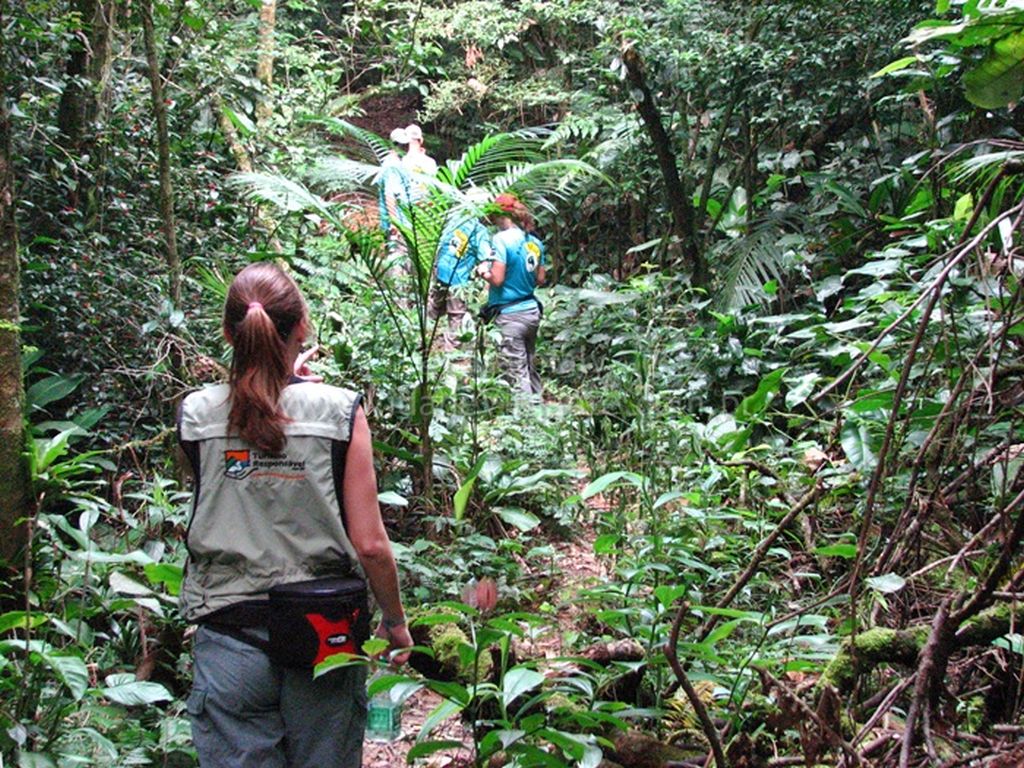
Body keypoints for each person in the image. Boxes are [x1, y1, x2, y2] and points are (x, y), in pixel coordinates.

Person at [177, 262, 412, 768]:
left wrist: (278, 387)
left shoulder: (195, 415)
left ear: (228, 333)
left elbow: (223, 491)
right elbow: (370, 544)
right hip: (324, 632)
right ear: (302, 328)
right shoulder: (339, 411)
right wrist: (395, 622)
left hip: (228, 632)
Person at [477, 194, 546, 396]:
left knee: (516, 372)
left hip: (511, 316)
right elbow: (541, 278)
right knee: (529, 364)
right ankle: (539, 406)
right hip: (532, 311)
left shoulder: (500, 240)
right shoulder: (535, 242)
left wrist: (482, 271)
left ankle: (526, 419)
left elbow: (497, 279)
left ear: (500, 216)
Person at [431, 214, 493, 349]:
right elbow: (487, 258)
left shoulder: (454, 218)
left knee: (434, 307)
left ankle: (423, 339)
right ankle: (451, 353)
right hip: (457, 279)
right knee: (456, 316)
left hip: (440, 271)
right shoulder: (478, 230)